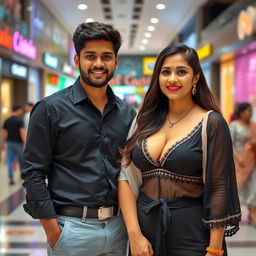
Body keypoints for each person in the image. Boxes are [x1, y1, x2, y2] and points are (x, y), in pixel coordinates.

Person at [21, 22, 135, 256]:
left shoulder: (126, 114)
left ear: (116, 61)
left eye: (106, 56)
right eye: (90, 56)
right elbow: (33, 172)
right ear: (77, 60)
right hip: (71, 230)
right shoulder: (50, 109)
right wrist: (53, 230)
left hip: (117, 228)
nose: (99, 64)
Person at [118, 43, 241, 256]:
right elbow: (126, 177)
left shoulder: (211, 123)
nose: (172, 79)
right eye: (166, 72)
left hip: (193, 236)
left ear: (195, 78)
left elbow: (220, 187)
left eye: (181, 72)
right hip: (145, 235)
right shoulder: (144, 120)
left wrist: (214, 250)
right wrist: (134, 235)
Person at [229, 102, 256, 226]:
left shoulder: (253, 125)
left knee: (253, 185)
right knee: (239, 186)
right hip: (239, 161)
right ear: (241, 112)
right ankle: (231, 211)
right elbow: (230, 143)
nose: (250, 113)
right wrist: (238, 158)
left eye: (251, 111)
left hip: (252, 159)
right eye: (248, 111)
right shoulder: (234, 125)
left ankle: (253, 212)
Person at [2, 104, 26, 185]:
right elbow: (22, 132)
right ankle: (23, 176)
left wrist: (4, 142)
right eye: (20, 110)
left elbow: (4, 132)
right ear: (18, 110)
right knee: (21, 160)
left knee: (10, 161)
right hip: (18, 143)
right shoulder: (19, 120)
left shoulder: (7, 120)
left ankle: (11, 178)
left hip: (9, 142)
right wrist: (25, 143)